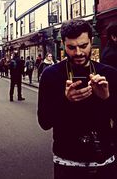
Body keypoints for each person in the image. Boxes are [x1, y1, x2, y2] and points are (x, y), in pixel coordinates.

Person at [38, 19, 117, 179]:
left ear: (91, 41)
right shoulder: (51, 75)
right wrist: (65, 100)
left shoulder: (109, 73)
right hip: (67, 164)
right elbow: (44, 122)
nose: (79, 52)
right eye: (71, 47)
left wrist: (106, 98)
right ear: (63, 44)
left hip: (105, 162)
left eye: (83, 46)